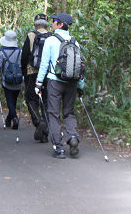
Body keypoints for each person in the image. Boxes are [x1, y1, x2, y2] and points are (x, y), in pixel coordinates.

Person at [35, 13, 85, 159]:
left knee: (54, 114)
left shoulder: (50, 40)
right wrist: (80, 86)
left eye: (54, 21)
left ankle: (59, 148)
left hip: (54, 82)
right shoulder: (74, 42)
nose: (52, 23)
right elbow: (80, 67)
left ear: (61, 24)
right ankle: (72, 137)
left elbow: (44, 64)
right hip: (72, 83)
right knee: (69, 112)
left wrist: (38, 84)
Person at [21, 13, 52, 143]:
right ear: (46, 24)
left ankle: (38, 122)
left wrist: (24, 73)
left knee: (31, 99)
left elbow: (24, 57)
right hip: (49, 74)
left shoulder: (31, 35)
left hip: (32, 73)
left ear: (35, 24)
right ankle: (45, 129)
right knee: (46, 101)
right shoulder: (52, 36)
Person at [0, 30, 23, 129]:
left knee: (10, 100)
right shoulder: (20, 51)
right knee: (13, 100)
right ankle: (9, 119)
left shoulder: (2, 52)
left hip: (7, 80)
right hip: (19, 79)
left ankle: (14, 118)